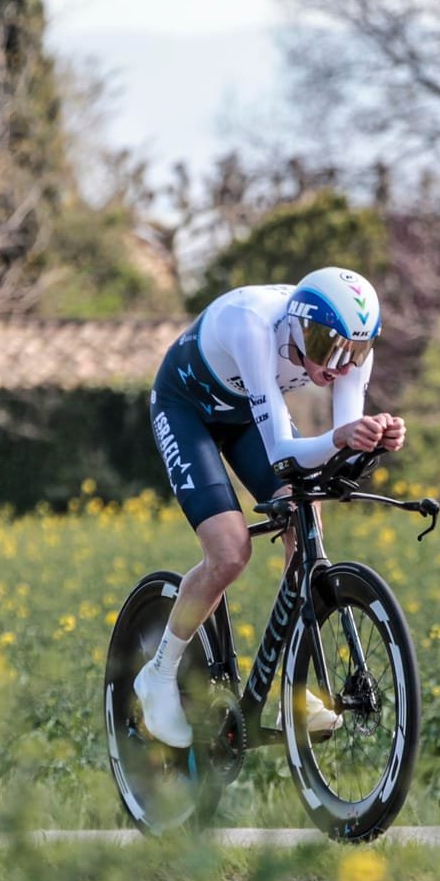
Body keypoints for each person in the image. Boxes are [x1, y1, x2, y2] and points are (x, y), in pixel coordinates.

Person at [135, 266, 406, 747]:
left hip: (243, 417)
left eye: (355, 353)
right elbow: (283, 450)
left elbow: (341, 444)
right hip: (185, 409)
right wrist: (342, 437)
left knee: (307, 526)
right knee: (230, 551)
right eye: (329, 349)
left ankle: (294, 692)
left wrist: (374, 438)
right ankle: (157, 674)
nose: (340, 366)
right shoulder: (252, 324)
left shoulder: (348, 345)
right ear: (300, 326)